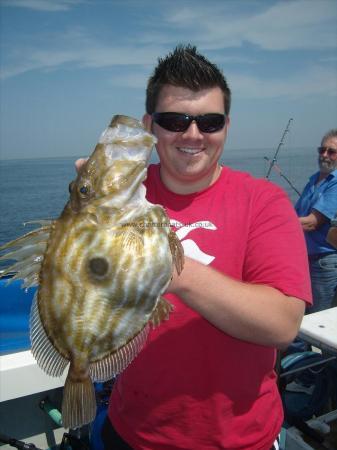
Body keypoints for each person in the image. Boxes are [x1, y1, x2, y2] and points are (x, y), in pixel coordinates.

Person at [79, 45, 312, 450]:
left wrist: (174, 272)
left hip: (243, 440)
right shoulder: (119, 191)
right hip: (133, 432)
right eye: (174, 120)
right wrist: (87, 196)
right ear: (150, 125)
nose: (192, 134)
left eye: (209, 122)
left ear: (226, 126)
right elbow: (82, 277)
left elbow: (282, 324)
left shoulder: (264, 201)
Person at [295, 130, 337, 313]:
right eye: (322, 150)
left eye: (331, 151)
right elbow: (296, 213)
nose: (324, 155)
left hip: (323, 263)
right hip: (305, 259)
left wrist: (273, 224)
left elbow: (312, 222)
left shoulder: (335, 183)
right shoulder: (314, 179)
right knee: (299, 315)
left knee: (316, 319)